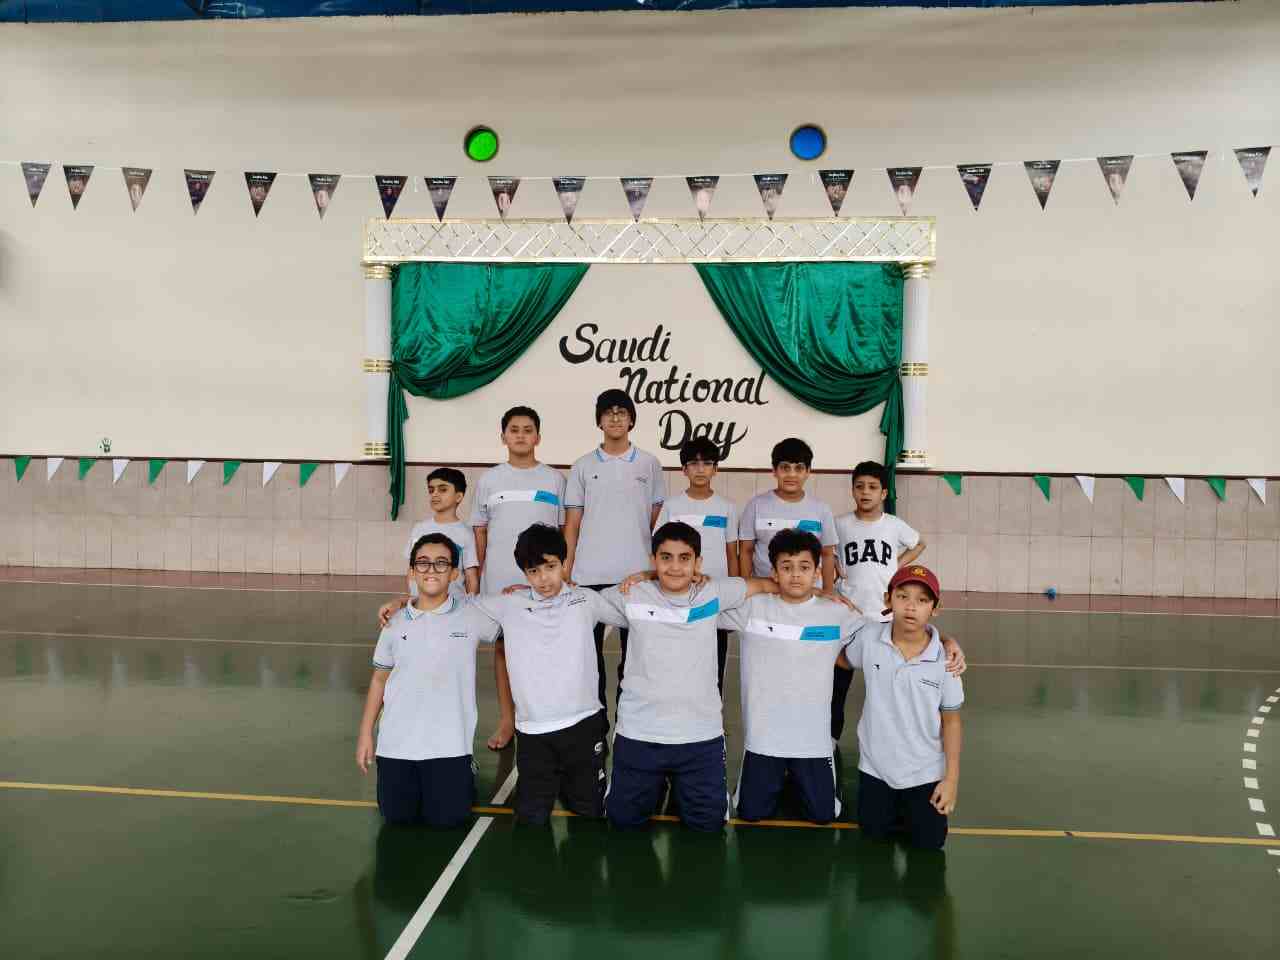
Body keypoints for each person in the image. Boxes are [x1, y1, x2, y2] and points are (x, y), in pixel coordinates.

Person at [723, 531, 963, 825]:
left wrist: (945, 641)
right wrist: (760, 585)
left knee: (823, 815)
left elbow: (893, 631)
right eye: (786, 567)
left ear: (817, 571)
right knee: (751, 813)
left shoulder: (837, 613)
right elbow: (707, 600)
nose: (795, 575)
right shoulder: (752, 608)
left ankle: (795, 778)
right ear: (774, 571)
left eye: (804, 567)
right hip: (764, 739)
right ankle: (775, 778)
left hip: (812, 741)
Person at [605, 522, 777, 832]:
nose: (675, 567)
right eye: (665, 558)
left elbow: (764, 585)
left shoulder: (714, 592)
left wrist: (820, 593)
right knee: (624, 821)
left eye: (684, 558)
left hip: (700, 735)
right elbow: (576, 598)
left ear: (698, 562)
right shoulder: (630, 593)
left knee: (708, 825)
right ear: (653, 560)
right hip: (640, 732)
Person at [470, 524, 625, 825]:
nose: (543, 579)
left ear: (564, 563)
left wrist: (647, 576)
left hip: (583, 726)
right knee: (531, 819)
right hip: (533, 733)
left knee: (589, 813)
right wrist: (404, 603)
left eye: (551, 567)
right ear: (524, 573)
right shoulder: (509, 604)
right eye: (534, 571)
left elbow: (639, 611)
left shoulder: (586, 600)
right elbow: (455, 608)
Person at [355, 533, 500, 828]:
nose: (431, 570)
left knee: (449, 820)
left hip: (450, 746)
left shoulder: (472, 616)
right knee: (397, 817)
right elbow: (379, 680)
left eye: (441, 563)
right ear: (411, 571)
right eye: (423, 563)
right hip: (396, 746)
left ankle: (465, 771)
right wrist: (366, 733)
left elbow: (514, 622)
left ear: (454, 573)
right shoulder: (393, 623)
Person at [844, 564, 963, 849]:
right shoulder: (869, 638)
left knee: (929, 844)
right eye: (902, 596)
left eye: (922, 600)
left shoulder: (946, 660)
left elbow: (952, 721)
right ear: (888, 599)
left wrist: (951, 780)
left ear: (935, 608)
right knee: (873, 840)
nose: (911, 607)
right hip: (875, 769)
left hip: (925, 773)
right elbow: (839, 658)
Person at [564, 388, 665, 715]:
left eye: (622, 412)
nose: (616, 418)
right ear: (599, 421)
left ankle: (628, 723)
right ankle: (595, 724)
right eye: (609, 413)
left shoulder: (650, 464)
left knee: (634, 659)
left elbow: (655, 521)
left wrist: (651, 567)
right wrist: (567, 569)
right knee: (588, 659)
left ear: (632, 419)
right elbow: (572, 523)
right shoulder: (582, 466)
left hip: (635, 577)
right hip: (588, 575)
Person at [472, 406, 566, 750]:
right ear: (503, 437)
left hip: (544, 582)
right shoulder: (489, 481)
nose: (521, 435)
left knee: (547, 648)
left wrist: (561, 574)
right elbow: (480, 532)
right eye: (514, 430)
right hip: (500, 580)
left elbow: (563, 532)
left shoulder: (555, 480)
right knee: (503, 649)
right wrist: (478, 577)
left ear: (538, 437)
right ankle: (507, 721)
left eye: (528, 430)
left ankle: (547, 720)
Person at [831, 460, 926, 742]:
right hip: (848, 614)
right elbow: (827, 551)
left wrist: (898, 564)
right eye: (859, 486)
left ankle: (889, 738)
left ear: (883, 493)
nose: (865, 492)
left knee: (885, 686)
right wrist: (835, 566)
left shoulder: (894, 525)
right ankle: (831, 738)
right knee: (838, 683)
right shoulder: (840, 524)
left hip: (884, 616)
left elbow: (919, 543)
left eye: (872, 487)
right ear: (852, 490)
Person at [655, 436, 740, 693]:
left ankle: (714, 708)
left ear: (716, 469)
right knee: (679, 659)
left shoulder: (727, 507)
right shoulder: (672, 506)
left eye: (707, 463)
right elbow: (659, 551)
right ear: (684, 470)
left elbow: (732, 553)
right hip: (678, 595)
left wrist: (733, 596)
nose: (700, 469)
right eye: (693, 463)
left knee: (715, 661)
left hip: (715, 596)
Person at [738, 437, 838, 591]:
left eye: (799, 468)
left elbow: (827, 555)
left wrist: (828, 592)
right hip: (766, 593)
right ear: (774, 470)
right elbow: (746, 551)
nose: (792, 474)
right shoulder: (756, 505)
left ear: (808, 471)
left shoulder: (821, 509)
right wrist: (746, 589)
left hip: (809, 594)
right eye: (785, 468)